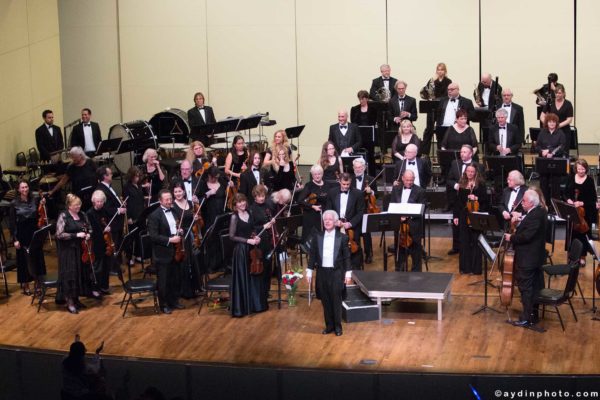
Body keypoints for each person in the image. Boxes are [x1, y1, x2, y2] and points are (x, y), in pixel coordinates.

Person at [504, 189, 547, 327]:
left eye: (524, 201)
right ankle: (533, 315)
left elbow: (527, 236)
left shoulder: (535, 215)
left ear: (532, 203)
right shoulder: (538, 211)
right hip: (535, 257)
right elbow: (529, 224)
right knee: (534, 287)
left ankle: (526, 318)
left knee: (526, 288)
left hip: (528, 258)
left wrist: (511, 237)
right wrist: (521, 220)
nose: (522, 203)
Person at [307, 210, 352, 336]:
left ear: (336, 222)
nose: (327, 221)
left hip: (336, 272)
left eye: (330, 219)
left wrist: (348, 273)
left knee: (336, 299)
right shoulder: (317, 236)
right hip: (322, 272)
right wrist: (309, 271)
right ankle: (329, 326)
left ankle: (338, 327)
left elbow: (346, 257)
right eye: (325, 219)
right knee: (325, 300)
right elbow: (312, 255)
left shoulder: (342, 237)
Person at [229, 193, 274, 317]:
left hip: (252, 249)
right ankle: (243, 308)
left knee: (254, 276)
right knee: (244, 277)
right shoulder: (234, 217)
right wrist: (247, 240)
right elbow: (232, 236)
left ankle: (256, 305)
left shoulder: (249, 212)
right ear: (235, 204)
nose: (242, 203)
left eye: (243, 201)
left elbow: (253, 229)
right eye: (239, 202)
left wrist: (255, 237)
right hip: (241, 251)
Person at [56, 194, 94, 314]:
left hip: (81, 249)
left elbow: (90, 228)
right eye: (75, 205)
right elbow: (59, 234)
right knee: (70, 275)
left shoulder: (82, 214)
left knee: (79, 274)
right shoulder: (64, 216)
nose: (78, 207)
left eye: (79, 204)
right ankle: (69, 301)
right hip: (68, 251)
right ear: (69, 205)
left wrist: (88, 234)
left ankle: (76, 299)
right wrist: (75, 235)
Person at [147, 189, 183, 314]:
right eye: (166, 199)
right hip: (162, 253)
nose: (169, 201)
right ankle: (164, 305)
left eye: (170, 199)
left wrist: (180, 230)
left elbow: (176, 225)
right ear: (160, 201)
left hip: (176, 250)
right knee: (164, 281)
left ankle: (174, 301)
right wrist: (170, 240)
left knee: (175, 278)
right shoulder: (154, 216)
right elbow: (153, 236)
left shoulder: (174, 211)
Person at [9, 181, 47, 295]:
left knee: (37, 257)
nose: (25, 189)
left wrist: (43, 204)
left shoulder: (34, 200)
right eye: (22, 187)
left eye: (26, 187)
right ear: (18, 189)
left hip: (34, 232)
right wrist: (15, 239)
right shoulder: (14, 203)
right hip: (22, 234)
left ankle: (37, 283)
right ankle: (25, 284)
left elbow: (40, 214)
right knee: (23, 259)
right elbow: (12, 223)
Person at [453, 163, 489, 275]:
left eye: (472, 172)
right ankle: (465, 268)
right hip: (464, 215)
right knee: (464, 241)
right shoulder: (462, 183)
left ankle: (476, 268)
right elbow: (457, 202)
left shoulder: (481, 184)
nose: (470, 173)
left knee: (475, 240)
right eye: (468, 171)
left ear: (476, 172)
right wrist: (456, 216)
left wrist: (476, 198)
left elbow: (486, 201)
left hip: (476, 215)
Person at [446, 145, 482, 255]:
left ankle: (470, 245)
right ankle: (456, 246)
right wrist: (456, 185)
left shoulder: (478, 165)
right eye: (461, 152)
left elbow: (481, 182)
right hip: (458, 197)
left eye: (464, 152)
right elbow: (449, 179)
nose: (462, 154)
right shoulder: (454, 163)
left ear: (471, 154)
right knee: (457, 223)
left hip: (472, 200)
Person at [326, 173, 365, 270]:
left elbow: (361, 212)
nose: (346, 186)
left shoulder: (358, 193)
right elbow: (328, 210)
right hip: (337, 226)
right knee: (336, 250)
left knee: (355, 251)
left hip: (352, 226)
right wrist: (335, 221)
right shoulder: (332, 192)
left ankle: (355, 271)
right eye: (344, 184)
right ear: (339, 182)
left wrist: (350, 223)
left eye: (348, 184)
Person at [390, 170, 426, 272]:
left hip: (413, 224)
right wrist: (398, 216)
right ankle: (400, 269)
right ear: (402, 178)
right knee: (400, 248)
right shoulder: (396, 189)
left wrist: (408, 216)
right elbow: (392, 204)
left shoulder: (420, 191)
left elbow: (422, 209)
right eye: (407, 180)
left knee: (415, 251)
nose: (409, 182)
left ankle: (416, 272)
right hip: (399, 224)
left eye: (411, 180)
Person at [564, 159, 598, 265]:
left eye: (583, 169)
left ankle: (582, 256)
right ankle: (572, 256)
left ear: (586, 169)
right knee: (572, 233)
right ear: (576, 169)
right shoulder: (570, 178)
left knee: (583, 235)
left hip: (585, 213)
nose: (581, 171)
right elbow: (565, 193)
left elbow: (593, 199)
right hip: (572, 210)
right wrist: (568, 200)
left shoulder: (589, 181)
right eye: (579, 169)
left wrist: (581, 203)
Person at [249, 185, 277, 309]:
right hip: (259, 241)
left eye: (263, 196)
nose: (262, 198)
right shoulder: (252, 209)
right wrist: (263, 226)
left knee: (268, 267)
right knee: (261, 268)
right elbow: (251, 227)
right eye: (259, 196)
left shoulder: (267, 206)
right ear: (255, 197)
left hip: (268, 240)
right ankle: (260, 294)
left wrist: (272, 221)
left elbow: (269, 218)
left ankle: (266, 291)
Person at [171, 182, 200, 299]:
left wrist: (195, 218)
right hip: (181, 238)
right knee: (184, 264)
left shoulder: (190, 203)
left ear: (184, 191)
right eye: (175, 192)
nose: (178, 193)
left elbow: (196, 218)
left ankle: (195, 288)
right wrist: (178, 229)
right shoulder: (172, 206)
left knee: (194, 262)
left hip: (191, 235)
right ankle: (185, 291)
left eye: (180, 191)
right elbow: (172, 223)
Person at [95, 166, 126, 271]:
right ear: (105, 176)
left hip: (117, 222)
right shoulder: (101, 189)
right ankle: (113, 268)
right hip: (111, 222)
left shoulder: (108, 187)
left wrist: (121, 204)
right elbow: (105, 208)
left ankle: (117, 265)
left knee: (117, 243)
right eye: (110, 173)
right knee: (113, 244)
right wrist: (118, 210)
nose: (112, 174)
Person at [48, 147, 98, 211]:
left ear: (80, 155)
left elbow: (98, 174)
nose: (72, 159)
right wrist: (52, 191)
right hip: (79, 196)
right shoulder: (71, 167)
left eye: (74, 157)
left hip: (92, 193)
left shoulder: (90, 162)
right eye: (72, 157)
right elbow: (63, 181)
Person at [534, 113, 567, 206]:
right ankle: (544, 204)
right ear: (547, 123)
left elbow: (562, 147)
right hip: (544, 161)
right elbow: (537, 146)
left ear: (556, 123)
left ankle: (555, 206)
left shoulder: (560, 133)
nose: (552, 124)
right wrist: (542, 152)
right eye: (550, 122)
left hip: (556, 160)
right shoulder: (542, 132)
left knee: (555, 184)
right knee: (543, 183)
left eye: (553, 122)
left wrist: (550, 151)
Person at [421, 62, 452, 155]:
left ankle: (441, 153)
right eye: (438, 70)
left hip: (442, 109)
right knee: (428, 130)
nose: (440, 71)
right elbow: (425, 92)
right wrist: (429, 96)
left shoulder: (448, 81)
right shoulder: (432, 80)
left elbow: (447, 95)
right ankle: (425, 153)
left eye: (442, 70)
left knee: (440, 130)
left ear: (445, 71)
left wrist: (437, 99)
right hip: (432, 108)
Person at [86, 190, 113, 296]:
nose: (100, 203)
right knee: (97, 267)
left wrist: (109, 227)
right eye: (97, 201)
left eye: (101, 201)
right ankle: (95, 289)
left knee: (106, 266)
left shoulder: (104, 210)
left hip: (105, 242)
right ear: (93, 201)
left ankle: (104, 287)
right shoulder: (89, 213)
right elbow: (92, 230)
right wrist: (103, 229)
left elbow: (108, 222)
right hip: (96, 243)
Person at [435, 83, 475, 151]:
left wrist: (462, 117)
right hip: (442, 128)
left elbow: (473, 116)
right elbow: (438, 114)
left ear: (458, 90)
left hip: (458, 129)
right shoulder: (442, 101)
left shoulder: (467, 102)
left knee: (457, 147)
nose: (449, 91)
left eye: (452, 89)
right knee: (441, 148)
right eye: (448, 90)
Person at [298, 165, 330, 243]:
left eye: (319, 174)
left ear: (322, 174)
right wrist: (312, 206)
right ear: (312, 175)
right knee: (312, 237)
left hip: (324, 214)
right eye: (315, 174)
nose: (317, 176)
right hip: (311, 215)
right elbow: (300, 200)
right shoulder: (309, 185)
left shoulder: (327, 184)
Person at [351, 158, 374, 264]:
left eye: (360, 167)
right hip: (353, 210)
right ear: (353, 168)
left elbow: (377, 195)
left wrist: (371, 191)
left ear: (364, 167)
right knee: (355, 233)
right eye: (356, 167)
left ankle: (368, 254)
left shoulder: (370, 179)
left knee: (366, 233)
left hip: (366, 210)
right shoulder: (350, 179)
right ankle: (357, 253)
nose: (358, 169)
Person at [350, 90, 378, 172]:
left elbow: (375, 123)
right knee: (358, 155)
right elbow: (353, 124)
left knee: (370, 156)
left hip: (370, 137)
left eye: (363, 98)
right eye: (360, 99)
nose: (361, 100)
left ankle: (372, 175)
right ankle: (359, 172)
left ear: (367, 99)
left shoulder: (373, 109)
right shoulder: (354, 109)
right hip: (358, 137)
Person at [541, 84, 574, 151]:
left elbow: (569, 120)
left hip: (564, 131)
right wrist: (548, 124)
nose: (557, 95)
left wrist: (558, 126)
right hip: (552, 132)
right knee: (551, 151)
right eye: (556, 93)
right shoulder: (550, 102)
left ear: (563, 93)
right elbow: (542, 116)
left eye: (559, 93)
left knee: (563, 151)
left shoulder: (568, 104)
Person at [122, 166, 145, 263]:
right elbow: (127, 203)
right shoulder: (126, 187)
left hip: (140, 214)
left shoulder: (139, 185)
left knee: (139, 236)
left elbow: (140, 199)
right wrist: (129, 217)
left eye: (138, 176)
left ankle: (138, 254)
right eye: (136, 176)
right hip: (132, 215)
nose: (137, 178)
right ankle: (129, 257)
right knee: (131, 237)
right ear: (131, 176)